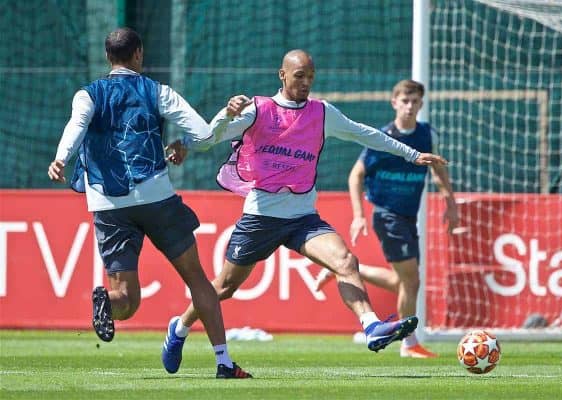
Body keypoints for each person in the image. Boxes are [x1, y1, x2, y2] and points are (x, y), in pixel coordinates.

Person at [159, 50, 448, 373]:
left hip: (303, 218)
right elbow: (209, 139)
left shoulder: (322, 113)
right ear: (282, 76)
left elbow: (365, 133)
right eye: (299, 76)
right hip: (261, 217)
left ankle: (370, 325)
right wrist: (213, 123)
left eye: (311, 76)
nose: (306, 82)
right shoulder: (258, 109)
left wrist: (412, 154)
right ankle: (179, 328)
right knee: (224, 287)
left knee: (345, 261)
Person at [47, 27, 251, 379]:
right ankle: (223, 362)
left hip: (107, 203)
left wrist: (61, 159)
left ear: (108, 57)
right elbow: (203, 132)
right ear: (138, 54)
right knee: (198, 281)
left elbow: (76, 126)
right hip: (155, 197)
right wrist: (183, 142)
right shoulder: (157, 91)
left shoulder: (88, 94)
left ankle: (105, 302)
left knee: (126, 300)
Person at [315, 79, 459, 358]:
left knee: (403, 281)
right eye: (404, 100)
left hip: (409, 215)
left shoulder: (428, 135)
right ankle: (409, 343)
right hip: (386, 214)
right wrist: (358, 216)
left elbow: (438, 172)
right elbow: (356, 175)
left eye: (415, 101)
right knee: (411, 280)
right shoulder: (383, 137)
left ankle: (341, 271)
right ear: (394, 102)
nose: (409, 106)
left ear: (421, 104)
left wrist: (450, 202)